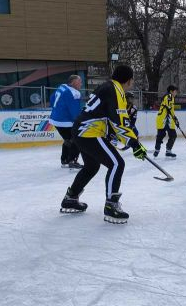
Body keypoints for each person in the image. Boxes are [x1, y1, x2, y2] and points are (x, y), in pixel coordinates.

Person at [59, 65, 147, 224]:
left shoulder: (107, 86)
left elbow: (107, 117)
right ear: (128, 80)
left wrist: (126, 140)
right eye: (132, 79)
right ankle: (111, 206)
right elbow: (120, 122)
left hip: (82, 131)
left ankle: (71, 198)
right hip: (89, 132)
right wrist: (134, 144)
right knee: (117, 163)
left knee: (91, 167)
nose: (132, 82)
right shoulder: (117, 90)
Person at [49, 75, 83, 169]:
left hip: (55, 119)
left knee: (68, 139)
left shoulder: (62, 87)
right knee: (77, 139)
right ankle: (72, 161)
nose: (81, 84)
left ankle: (65, 160)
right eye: (79, 81)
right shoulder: (74, 93)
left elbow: (52, 99)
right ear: (73, 82)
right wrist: (79, 121)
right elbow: (74, 110)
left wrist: (58, 110)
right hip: (65, 121)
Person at [154, 85, 178, 158]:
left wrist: (175, 119)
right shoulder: (170, 96)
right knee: (172, 135)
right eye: (175, 91)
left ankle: (157, 150)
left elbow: (169, 109)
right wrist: (175, 119)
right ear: (171, 91)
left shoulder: (166, 96)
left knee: (161, 135)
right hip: (165, 120)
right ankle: (167, 151)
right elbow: (170, 109)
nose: (176, 93)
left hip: (162, 119)